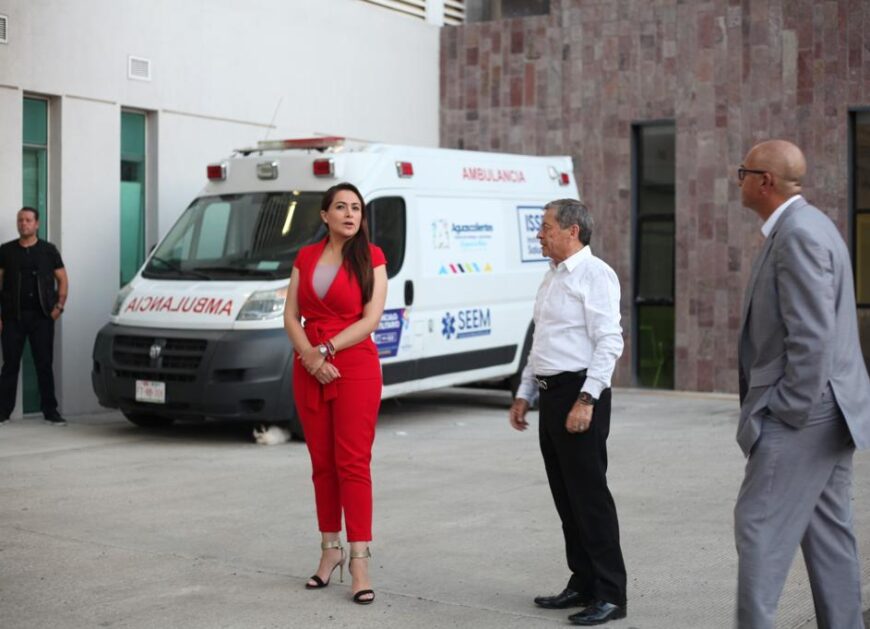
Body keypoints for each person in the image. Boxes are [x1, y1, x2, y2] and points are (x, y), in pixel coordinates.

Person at [734, 139, 870, 628]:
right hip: (833, 408)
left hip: (807, 413)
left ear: (764, 181)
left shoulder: (797, 235)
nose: (739, 180)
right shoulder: (812, 225)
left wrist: (787, 412)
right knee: (828, 533)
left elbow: (812, 339)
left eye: (743, 172)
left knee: (759, 529)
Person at [509, 199, 627, 626]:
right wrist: (525, 393)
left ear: (572, 231)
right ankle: (583, 582)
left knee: (590, 498)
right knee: (566, 496)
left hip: (579, 396)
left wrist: (587, 399)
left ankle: (611, 594)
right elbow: (542, 341)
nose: (539, 234)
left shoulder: (595, 275)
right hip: (551, 397)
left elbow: (609, 341)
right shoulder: (552, 276)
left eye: (545, 227)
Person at [283, 182, 387, 605]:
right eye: (341, 207)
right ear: (325, 215)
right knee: (322, 465)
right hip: (309, 365)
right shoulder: (305, 256)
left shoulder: (372, 256)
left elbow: (371, 319)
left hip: (354, 365)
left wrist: (325, 350)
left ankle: (359, 561)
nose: (349, 214)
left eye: (356, 208)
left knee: (353, 464)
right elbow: (291, 315)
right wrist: (310, 357)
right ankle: (330, 550)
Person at [0, 207, 68, 426]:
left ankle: (50, 412)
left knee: (44, 364)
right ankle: (3, 412)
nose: (23, 224)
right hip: (13, 317)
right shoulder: (6, 251)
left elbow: (63, 279)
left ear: (37, 224)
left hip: (42, 317)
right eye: (20, 220)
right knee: (10, 365)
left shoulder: (49, 250)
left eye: (28, 220)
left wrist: (58, 307)